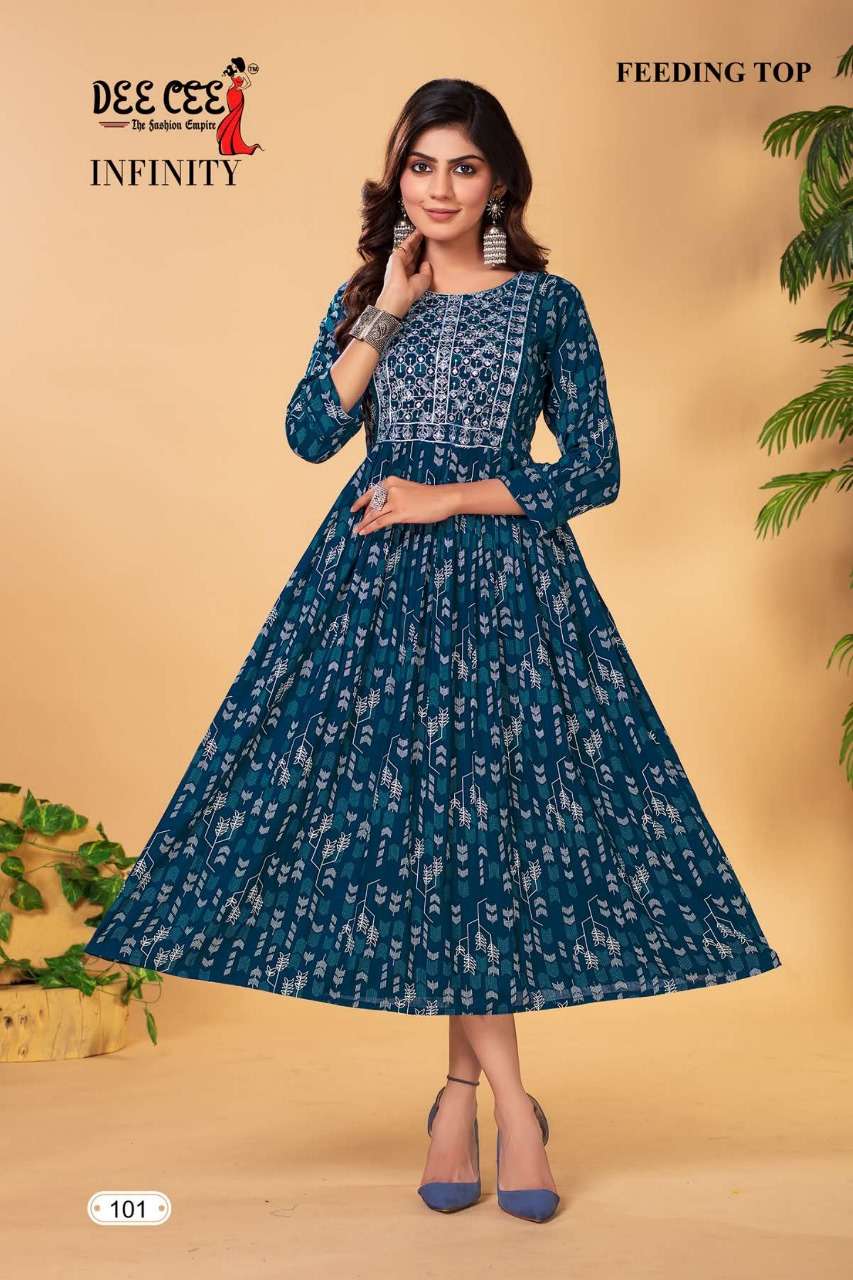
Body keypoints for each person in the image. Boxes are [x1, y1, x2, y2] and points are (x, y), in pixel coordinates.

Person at [86, 77, 782, 1224]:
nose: (441, 188)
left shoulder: (547, 304)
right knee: (430, 838)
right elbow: (311, 432)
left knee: (484, 835)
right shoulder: (369, 296)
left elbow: (594, 468)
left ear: (499, 182)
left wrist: (448, 495)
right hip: (374, 596)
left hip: (507, 591)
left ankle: (466, 1097)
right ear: (397, 176)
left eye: (464, 167)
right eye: (421, 165)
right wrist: (385, 312)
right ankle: (507, 1102)